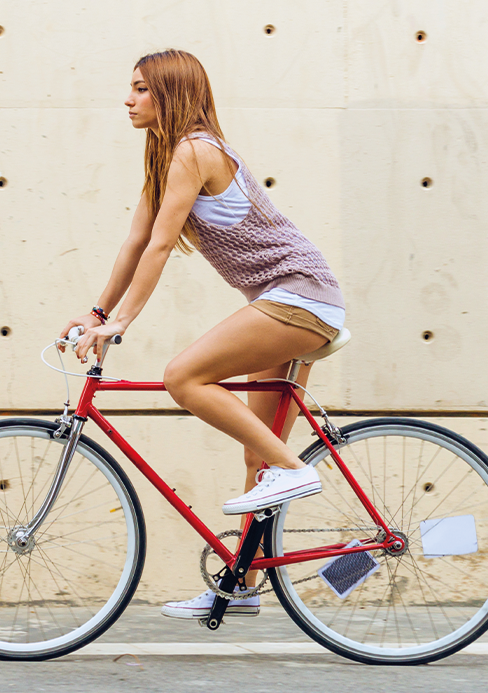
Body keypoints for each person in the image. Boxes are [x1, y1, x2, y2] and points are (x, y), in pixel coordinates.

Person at [59, 49, 345, 620]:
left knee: (183, 376)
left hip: (299, 296)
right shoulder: (169, 159)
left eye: (141, 89)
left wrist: (122, 324)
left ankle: (295, 469)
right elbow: (136, 243)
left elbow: (163, 245)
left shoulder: (196, 150)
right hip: (287, 301)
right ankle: (239, 587)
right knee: (254, 458)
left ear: (169, 95)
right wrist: (97, 314)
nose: (128, 99)